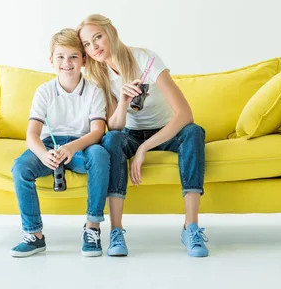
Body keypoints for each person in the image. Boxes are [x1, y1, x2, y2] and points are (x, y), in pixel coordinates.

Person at [77, 14, 208, 258]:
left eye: (98, 37)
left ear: (111, 32)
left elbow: (185, 114)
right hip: (130, 133)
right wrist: (124, 104)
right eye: (86, 44)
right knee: (111, 140)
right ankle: (116, 231)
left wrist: (143, 149)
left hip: (167, 131)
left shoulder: (146, 60)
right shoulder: (99, 74)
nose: (94, 47)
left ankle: (190, 227)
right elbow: (114, 127)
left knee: (194, 133)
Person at [10, 28, 110, 258]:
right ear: (51, 60)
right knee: (20, 167)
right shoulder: (44, 91)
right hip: (49, 146)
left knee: (100, 155)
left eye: (74, 56)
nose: (67, 62)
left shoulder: (94, 91)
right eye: (61, 57)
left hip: (81, 146)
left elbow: (97, 131)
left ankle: (92, 228)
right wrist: (44, 155)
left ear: (83, 60)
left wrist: (73, 147)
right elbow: (32, 136)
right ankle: (34, 235)